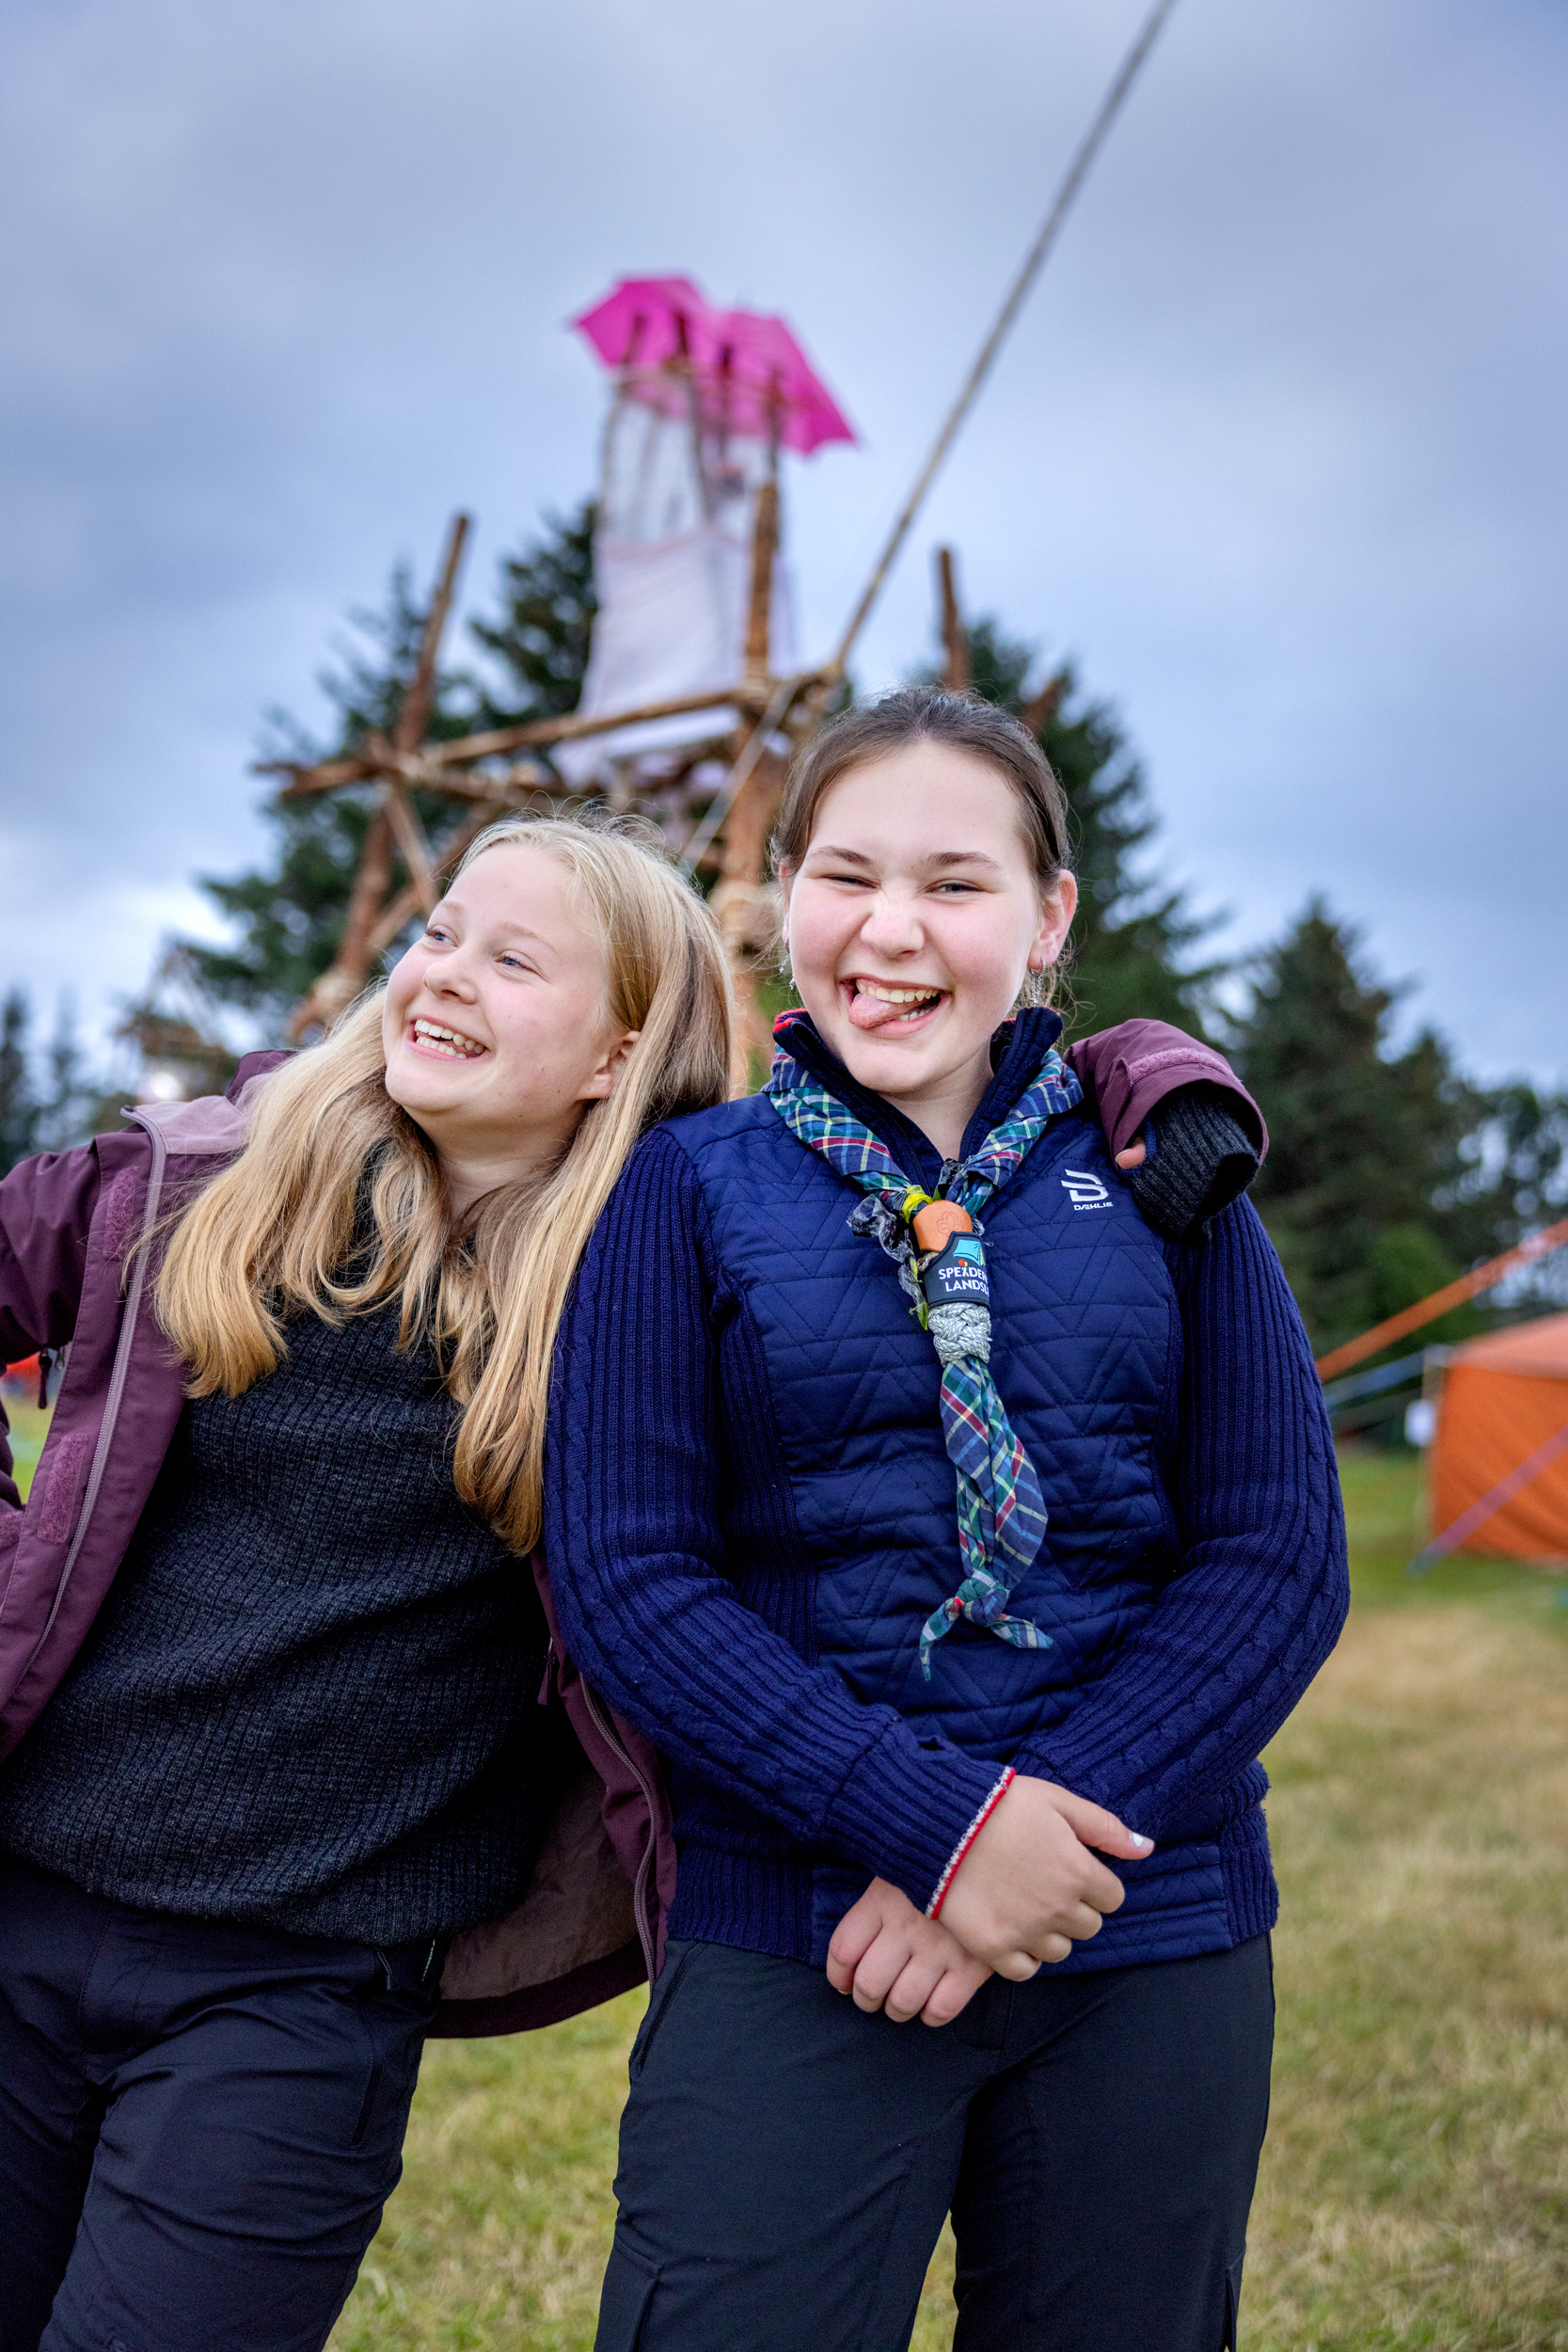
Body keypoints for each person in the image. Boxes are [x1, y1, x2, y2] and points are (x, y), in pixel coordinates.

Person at [545, 689, 1350, 2352]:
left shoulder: (1164, 1173)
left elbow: (1276, 1554)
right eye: (844, 876)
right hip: (802, 1924)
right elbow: (628, 1579)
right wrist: (932, 1830)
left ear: (1048, 920)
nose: (889, 932)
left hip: (1146, 1917)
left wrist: (1040, 1826)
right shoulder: (683, 1189)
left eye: (956, 884)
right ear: (780, 903)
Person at [0, 817, 732, 2352]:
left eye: (512, 959)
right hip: (19, 1905)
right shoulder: (198, 1186)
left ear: (618, 1053)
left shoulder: (652, 1296)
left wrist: (1149, 1077)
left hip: (300, 1999)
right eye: (441, 933)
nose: (442, 973)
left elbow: (938, 1121)